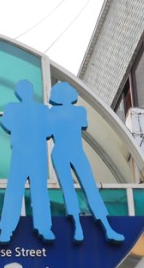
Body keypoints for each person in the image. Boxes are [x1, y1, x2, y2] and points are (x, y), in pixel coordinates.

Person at [48, 82, 124, 243]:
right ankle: (90, 227)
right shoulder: (79, 111)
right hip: (72, 151)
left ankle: (86, 227)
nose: (74, 92)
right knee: (83, 188)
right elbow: (81, 124)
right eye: (71, 90)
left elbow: (48, 131)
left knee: (76, 188)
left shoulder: (52, 113)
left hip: (65, 151)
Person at [0, 79, 54, 244]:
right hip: (29, 153)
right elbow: (48, 130)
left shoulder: (14, 109)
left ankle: (9, 230)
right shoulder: (40, 110)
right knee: (34, 191)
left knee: (17, 191)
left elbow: (7, 123)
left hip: (25, 153)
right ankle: (41, 228)